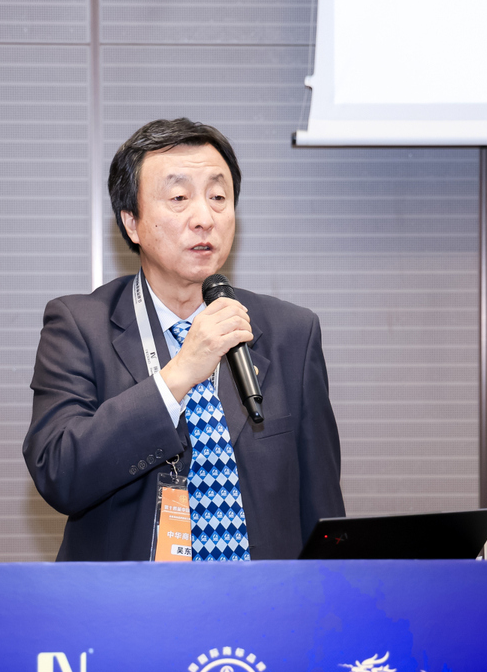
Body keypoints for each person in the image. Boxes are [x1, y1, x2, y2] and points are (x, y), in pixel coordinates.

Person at [24, 118, 344, 561]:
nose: (204, 218)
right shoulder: (80, 326)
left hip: (260, 598)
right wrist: (176, 377)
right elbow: (60, 473)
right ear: (132, 223)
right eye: (179, 198)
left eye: (218, 197)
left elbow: (321, 509)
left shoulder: (292, 332)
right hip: (130, 599)